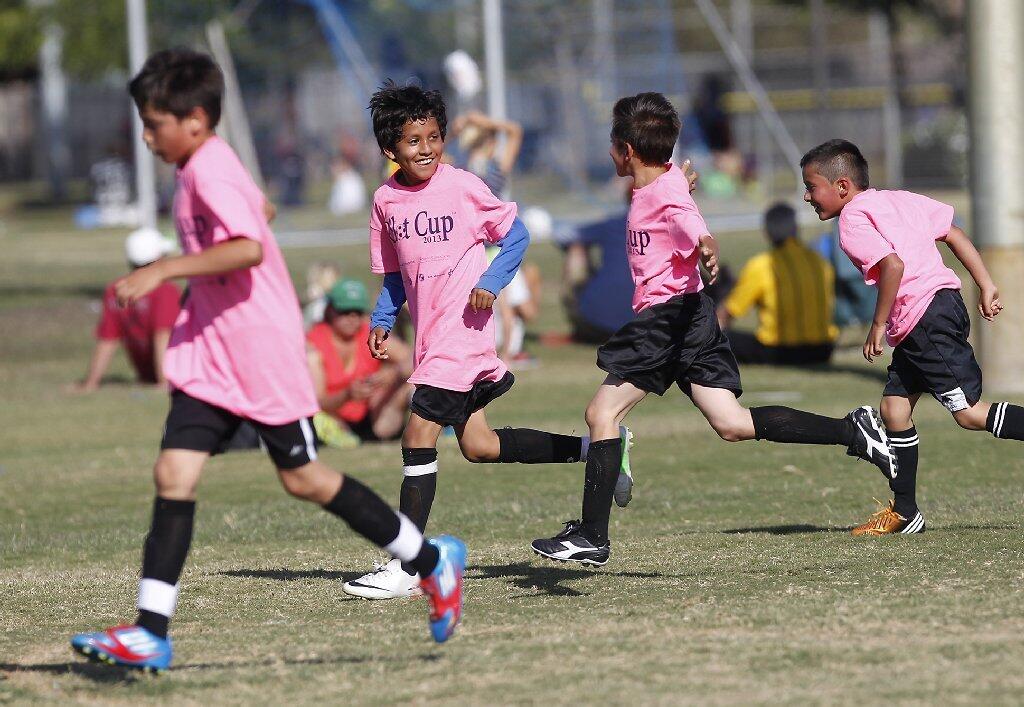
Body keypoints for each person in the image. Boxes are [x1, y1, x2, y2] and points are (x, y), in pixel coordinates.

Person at [69, 50, 466, 674]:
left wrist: (168, 267)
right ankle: (150, 632)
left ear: (195, 119)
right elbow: (262, 213)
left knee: (303, 478)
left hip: (257, 352)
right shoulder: (203, 165)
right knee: (174, 474)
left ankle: (429, 561)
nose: (147, 136)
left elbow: (251, 246)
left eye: (155, 124)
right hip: (211, 355)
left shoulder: (207, 170)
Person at [530, 93, 897, 567]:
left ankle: (592, 536)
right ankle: (853, 432)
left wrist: (705, 245)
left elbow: (689, 224)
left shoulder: (664, 193)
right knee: (732, 423)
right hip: (690, 318)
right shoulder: (660, 186)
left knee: (602, 412)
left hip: (667, 319)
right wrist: (677, 187)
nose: (609, 153)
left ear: (626, 149)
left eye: (611, 145)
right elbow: (675, 202)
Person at [344, 81, 623, 601]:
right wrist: (383, 316)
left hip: (462, 338)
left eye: (433, 137)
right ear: (390, 150)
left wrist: (490, 284)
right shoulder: (385, 202)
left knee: (417, 435)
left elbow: (515, 235)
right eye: (413, 140)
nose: (426, 148)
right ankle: (600, 451)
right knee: (480, 447)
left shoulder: (464, 186)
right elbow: (395, 275)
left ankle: (409, 565)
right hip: (430, 341)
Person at [801, 139, 1020, 535]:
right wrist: (985, 283)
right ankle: (906, 513)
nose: (806, 196)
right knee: (894, 412)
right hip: (934, 310)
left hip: (923, 320)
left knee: (970, 413)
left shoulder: (852, 219)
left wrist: (877, 325)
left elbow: (893, 266)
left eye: (812, 187)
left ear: (843, 186)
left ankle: (905, 511)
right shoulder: (899, 199)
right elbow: (953, 233)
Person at [717, 202, 838, 365]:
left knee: (721, 337)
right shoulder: (818, 261)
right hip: (823, 350)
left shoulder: (762, 265)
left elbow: (729, 312)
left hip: (780, 351)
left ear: (767, 232)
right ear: (796, 228)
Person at [72, 228, 180, 392]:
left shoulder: (116, 289)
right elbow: (162, 336)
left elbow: (107, 340)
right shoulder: (166, 290)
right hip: (170, 375)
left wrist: (91, 383)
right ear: (158, 259)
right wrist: (164, 382)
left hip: (145, 376)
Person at [307, 278, 412, 442]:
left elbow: (414, 359)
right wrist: (347, 394)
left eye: (357, 312)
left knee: (410, 382)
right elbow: (317, 402)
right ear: (329, 310)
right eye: (344, 311)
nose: (352, 318)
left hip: (372, 416)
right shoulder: (314, 344)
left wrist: (392, 374)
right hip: (331, 418)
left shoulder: (369, 334)